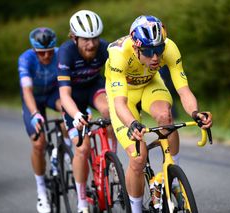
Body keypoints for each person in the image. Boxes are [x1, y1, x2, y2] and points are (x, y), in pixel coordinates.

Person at [105, 15, 213, 212]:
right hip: (123, 94)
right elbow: (120, 103)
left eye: (158, 50)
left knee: (166, 117)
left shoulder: (169, 47)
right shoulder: (118, 55)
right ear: (136, 47)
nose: (155, 57)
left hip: (149, 85)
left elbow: (183, 90)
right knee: (138, 157)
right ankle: (136, 208)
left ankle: (173, 180)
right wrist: (132, 124)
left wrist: (196, 113)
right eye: (148, 51)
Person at [57, 10, 115, 213]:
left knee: (110, 111)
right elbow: (64, 95)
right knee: (82, 148)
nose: (91, 45)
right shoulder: (66, 53)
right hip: (72, 97)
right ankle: (82, 201)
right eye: (85, 40)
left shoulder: (104, 48)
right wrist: (77, 115)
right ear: (74, 38)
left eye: (95, 39)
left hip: (93, 89)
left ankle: (111, 165)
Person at [18, 27, 71, 213]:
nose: (47, 56)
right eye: (42, 52)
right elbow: (27, 91)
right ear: (34, 50)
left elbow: (68, 86)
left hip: (53, 95)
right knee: (39, 143)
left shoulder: (60, 55)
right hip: (34, 100)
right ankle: (41, 191)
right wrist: (34, 114)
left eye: (50, 51)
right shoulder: (26, 59)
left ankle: (66, 150)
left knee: (68, 111)